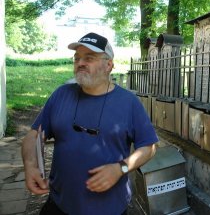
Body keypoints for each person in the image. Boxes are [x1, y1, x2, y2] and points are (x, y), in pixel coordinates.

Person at [21, 32, 158, 215]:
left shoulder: (129, 103)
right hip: (59, 204)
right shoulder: (61, 95)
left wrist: (120, 168)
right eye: (76, 58)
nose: (80, 63)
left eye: (89, 58)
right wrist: (30, 165)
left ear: (109, 65)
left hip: (109, 208)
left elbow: (149, 147)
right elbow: (34, 135)